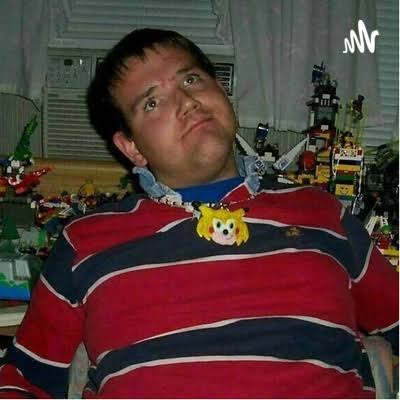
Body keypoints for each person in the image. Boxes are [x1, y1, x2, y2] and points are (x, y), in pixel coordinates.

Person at [0, 28, 398, 398]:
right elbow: (24, 380)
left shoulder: (321, 212)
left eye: (191, 80)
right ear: (132, 148)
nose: (187, 102)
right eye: (152, 102)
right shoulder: (86, 242)